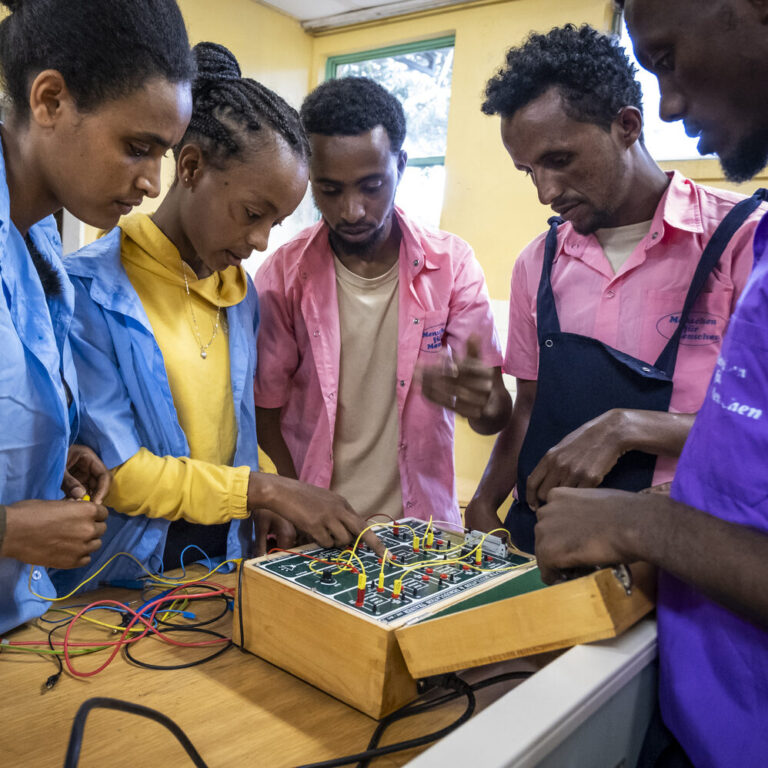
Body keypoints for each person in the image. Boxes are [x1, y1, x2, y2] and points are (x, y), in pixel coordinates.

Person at [53, 44, 383, 596]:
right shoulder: (89, 290)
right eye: (253, 214)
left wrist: (263, 486)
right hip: (116, 581)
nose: (258, 242)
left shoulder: (239, 296)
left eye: (274, 225)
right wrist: (267, 491)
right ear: (191, 167)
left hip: (217, 567)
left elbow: (231, 435)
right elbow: (123, 474)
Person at [534, 2, 768, 766]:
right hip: (694, 699)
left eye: (666, 56)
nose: (669, 101)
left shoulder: (732, 237)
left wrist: (644, 522)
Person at [466, 24, 763, 553]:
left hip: (687, 547)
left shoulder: (741, 242)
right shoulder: (538, 261)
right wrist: (486, 499)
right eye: (527, 171)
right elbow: (531, 405)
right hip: (548, 540)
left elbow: (756, 428)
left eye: (559, 160)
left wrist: (628, 426)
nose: (546, 192)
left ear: (626, 126)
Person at [0, 0, 194, 634]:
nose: (152, 183)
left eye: (163, 153)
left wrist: (47, 455)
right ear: (50, 101)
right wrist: (8, 530)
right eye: (139, 148)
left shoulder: (39, 242)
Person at [253, 76, 507, 545]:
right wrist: (293, 503)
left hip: (424, 530)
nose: (352, 210)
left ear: (401, 166)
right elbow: (264, 413)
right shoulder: (282, 277)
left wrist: (482, 402)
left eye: (372, 186)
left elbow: (493, 414)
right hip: (318, 532)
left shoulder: (452, 265)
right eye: (329, 190)